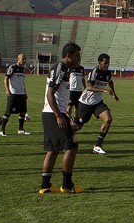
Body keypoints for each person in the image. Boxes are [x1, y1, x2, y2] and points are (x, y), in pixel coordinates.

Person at [40, 42, 83, 194]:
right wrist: (59, 115)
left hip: (51, 112)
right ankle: (66, 185)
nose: (79, 58)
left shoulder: (65, 69)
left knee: (53, 149)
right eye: (77, 55)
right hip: (53, 113)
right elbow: (50, 94)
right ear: (68, 55)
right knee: (71, 146)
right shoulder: (61, 68)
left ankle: (45, 186)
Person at [75, 53, 119, 155]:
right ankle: (63, 138)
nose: (107, 65)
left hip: (97, 103)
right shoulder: (95, 71)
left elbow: (110, 82)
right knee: (78, 126)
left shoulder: (108, 73)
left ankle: (97, 146)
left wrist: (114, 93)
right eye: (105, 63)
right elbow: (89, 87)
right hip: (86, 102)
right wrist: (104, 91)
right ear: (99, 62)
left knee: (108, 119)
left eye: (108, 63)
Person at [0, 53, 30, 136]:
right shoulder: (12, 67)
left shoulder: (23, 69)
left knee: (23, 112)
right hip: (13, 93)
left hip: (22, 93)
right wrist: (7, 90)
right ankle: (2, 130)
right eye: (22, 59)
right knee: (8, 112)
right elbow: (6, 78)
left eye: (25, 59)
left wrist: (25, 92)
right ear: (18, 59)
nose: (24, 60)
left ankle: (20, 129)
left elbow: (22, 83)